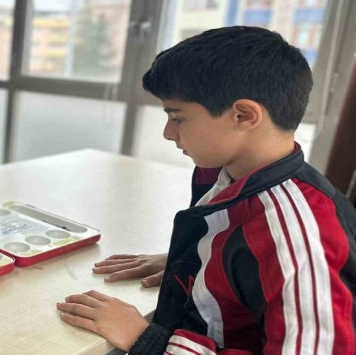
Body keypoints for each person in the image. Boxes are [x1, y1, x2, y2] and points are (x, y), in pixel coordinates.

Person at [57, 26, 356, 354]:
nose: (168, 133)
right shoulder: (234, 175)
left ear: (243, 116)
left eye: (178, 118)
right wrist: (200, 261)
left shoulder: (297, 237)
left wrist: (148, 341)